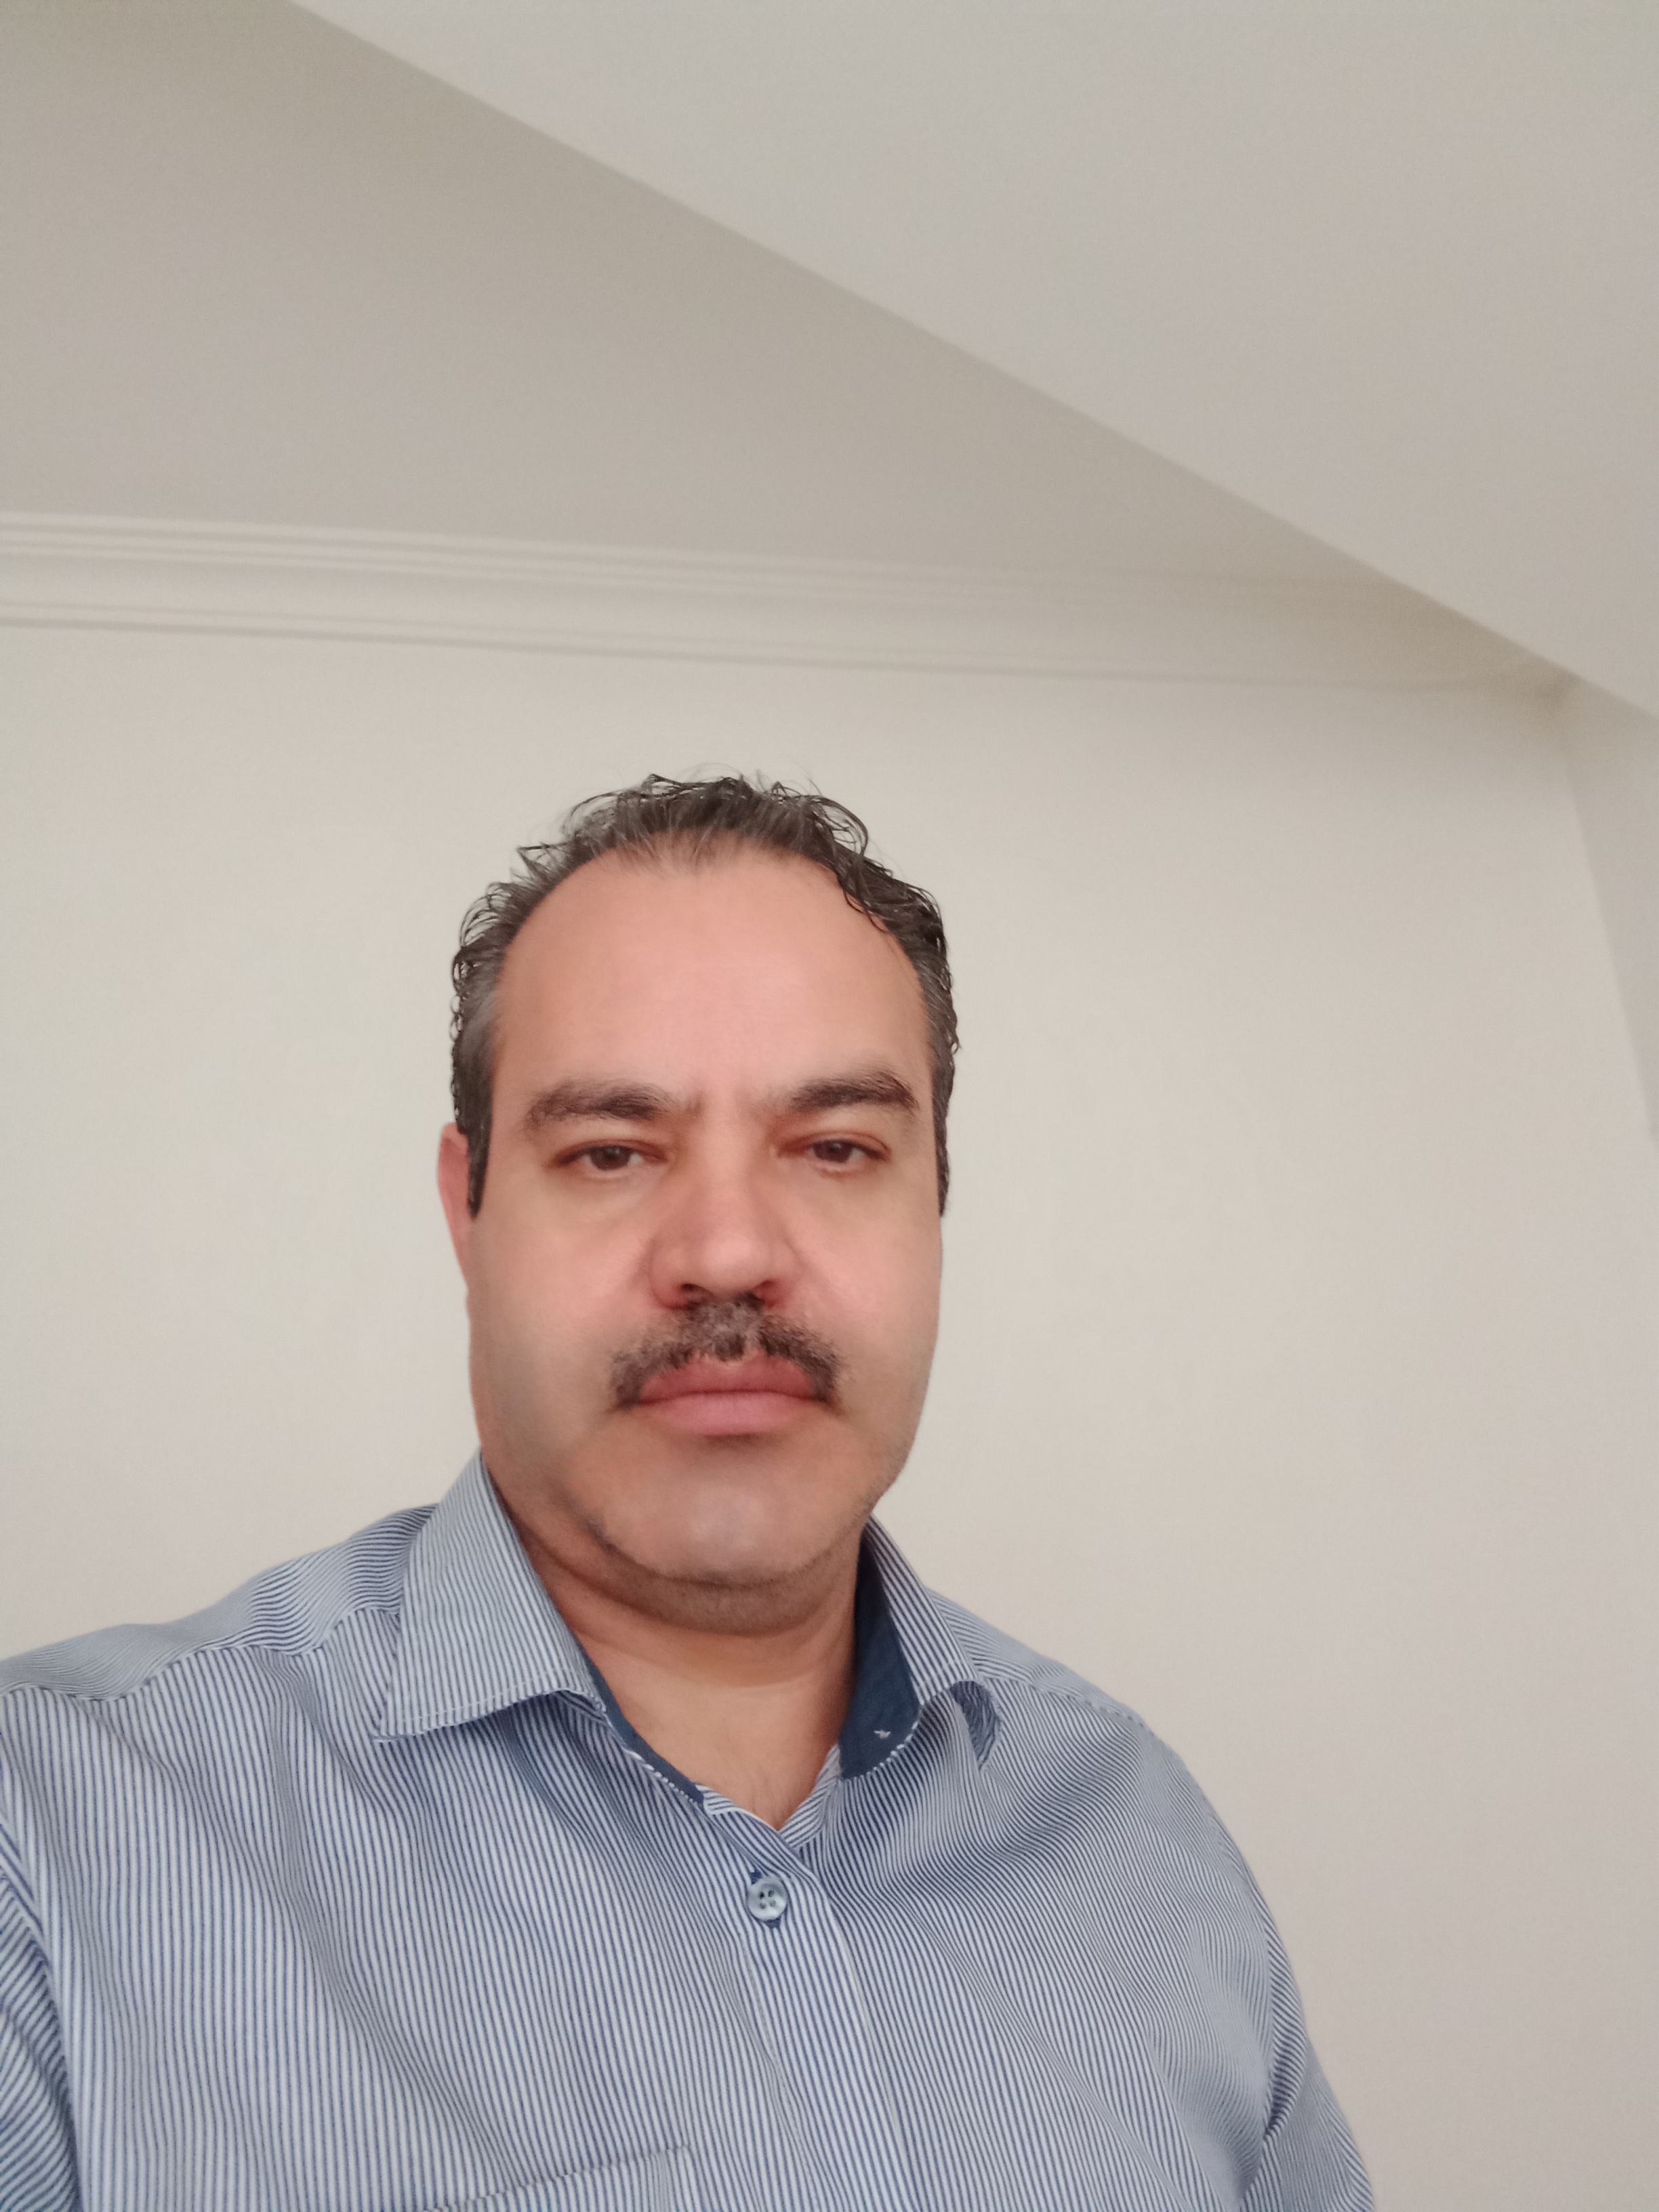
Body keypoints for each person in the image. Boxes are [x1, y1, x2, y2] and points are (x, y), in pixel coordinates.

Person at [0, 775, 1371, 2211]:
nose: (726, 1252)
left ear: (935, 1205)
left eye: (836, 1147)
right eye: (611, 1152)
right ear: (468, 1214)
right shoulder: (52, 1840)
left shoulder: (1146, 1845)